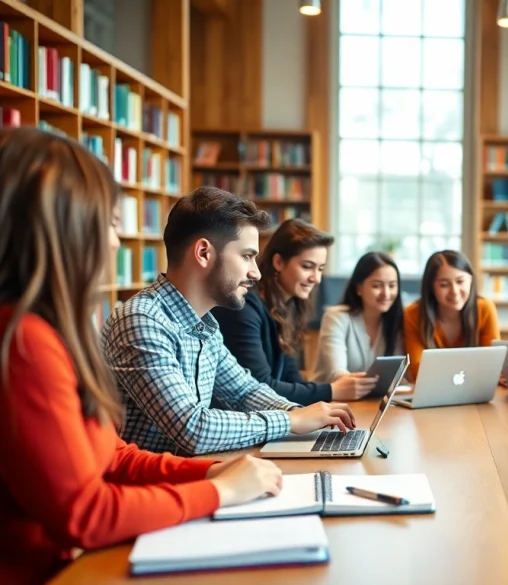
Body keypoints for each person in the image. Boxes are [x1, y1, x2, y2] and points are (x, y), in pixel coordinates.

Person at [0, 128, 284, 585]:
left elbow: (114, 457)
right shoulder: (24, 342)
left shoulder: (56, 331)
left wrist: (211, 472)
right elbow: (85, 513)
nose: (117, 242)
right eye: (110, 223)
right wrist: (218, 491)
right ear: (63, 228)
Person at [103, 187, 356, 456]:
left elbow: (244, 391)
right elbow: (192, 429)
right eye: (247, 256)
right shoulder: (142, 320)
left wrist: (302, 413)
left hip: (190, 471)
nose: (256, 273)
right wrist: (290, 421)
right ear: (204, 253)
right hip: (149, 479)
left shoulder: (205, 325)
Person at [212, 218, 354, 405]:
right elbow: (259, 387)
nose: (316, 278)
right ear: (278, 262)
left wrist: (321, 402)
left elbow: (290, 376)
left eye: (320, 269)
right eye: (307, 267)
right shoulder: (243, 308)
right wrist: (331, 390)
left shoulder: (286, 307)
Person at [314, 251, 405, 393]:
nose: (386, 294)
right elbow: (337, 374)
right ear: (359, 288)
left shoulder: (396, 321)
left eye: (392, 286)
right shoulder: (336, 317)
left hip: (375, 401)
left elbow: (400, 375)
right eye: (377, 286)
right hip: (331, 400)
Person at [403, 250, 499, 382]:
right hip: (433, 390)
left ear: (471, 279)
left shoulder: (485, 308)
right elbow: (417, 372)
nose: (454, 291)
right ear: (431, 287)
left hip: (476, 389)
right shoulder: (413, 314)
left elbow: (492, 364)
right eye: (444, 284)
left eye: (460, 281)